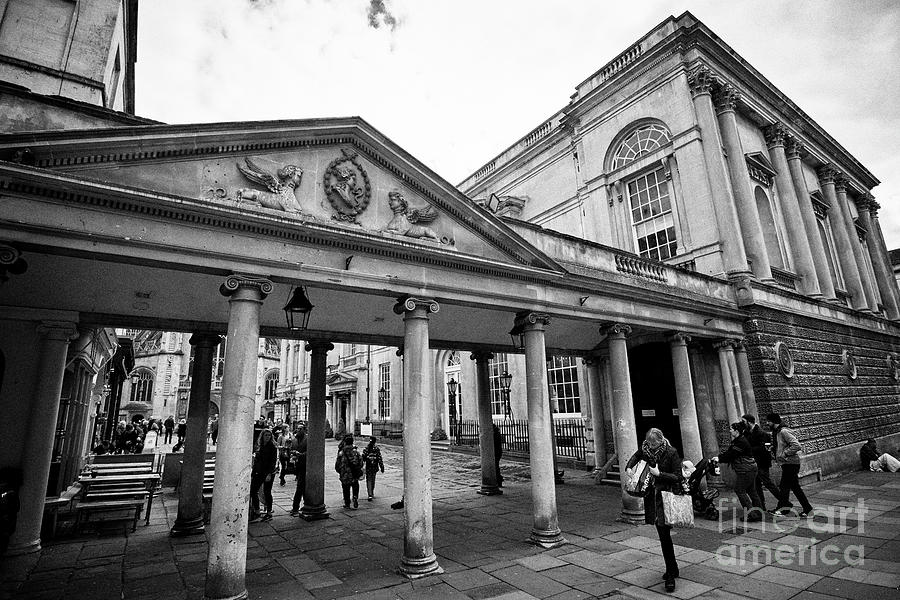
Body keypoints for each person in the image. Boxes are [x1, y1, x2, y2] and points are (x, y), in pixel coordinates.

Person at [625, 428, 682, 593]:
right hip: (653, 499)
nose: (652, 447)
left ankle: (670, 573)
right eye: (649, 444)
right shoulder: (646, 450)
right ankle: (673, 568)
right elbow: (636, 456)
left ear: (661, 441)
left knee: (665, 537)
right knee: (663, 536)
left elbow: (677, 476)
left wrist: (659, 473)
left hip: (667, 497)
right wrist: (629, 467)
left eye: (654, 444)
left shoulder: (671, 452)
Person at [765, 413, 814, 517]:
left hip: (791, 463)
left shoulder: (783, 431)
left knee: (784, 486)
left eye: (768, 421)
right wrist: (774, 450)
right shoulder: (777, 432)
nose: (767, 423)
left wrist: (784, 453)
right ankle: (807, 509)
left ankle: (783, 509)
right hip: (787, 463)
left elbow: (796, 445)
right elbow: (782, 445)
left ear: (774, 421)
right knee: (795, 487)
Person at [714, 421, 763, 521]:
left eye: (731, 429)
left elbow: (732, 454)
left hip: (746, 469)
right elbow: (730, 453)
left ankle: (752, 514)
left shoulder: (740, 442)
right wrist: (720, 457)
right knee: (751, 491)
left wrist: (719, 459)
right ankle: (758, 513)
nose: (730, 431)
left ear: (737, 431)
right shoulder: (739, 440)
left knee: (740, 490)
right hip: (749, 468)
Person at [742, 414, 782, 512]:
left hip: (762, 463)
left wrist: (748, 449)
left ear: (749, 422)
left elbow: (763, 448)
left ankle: (784, 501)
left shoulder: (762, 433)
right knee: (756, 485)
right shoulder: (746, 433)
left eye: (744, 421)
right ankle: (760, 506)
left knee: (768, 483)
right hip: (753, 463)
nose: (742, 424)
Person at [250, 429, 278, 522]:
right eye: (266, 435)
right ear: (262, 436)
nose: (267, 437)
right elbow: (257, 460)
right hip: (259, 472)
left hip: (268, 472)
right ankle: (257, 511)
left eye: (269, 435)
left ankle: (269, 513)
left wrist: (269, 474)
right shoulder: (259, 446)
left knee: (267, 492)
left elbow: (273, 462)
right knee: (253, 491)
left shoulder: (272, 447)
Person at [335, 434, 362, 509]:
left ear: (345, 442)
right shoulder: (355, 451)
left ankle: (347, 503)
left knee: (346, 488)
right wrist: (358, 468)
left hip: (345, 474)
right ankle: (355, 497)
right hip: (354, 473)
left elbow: (338, 463)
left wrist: (339, 471)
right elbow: (361, 461)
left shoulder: (342, 452)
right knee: (355, 485)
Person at [289, 427, 308, 517]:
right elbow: (292, 449)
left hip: (306, 465)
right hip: (298, 465)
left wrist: (300, 455)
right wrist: (292, 453)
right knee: (303, 487)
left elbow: (311, 452)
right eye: (297, 429)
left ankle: (295, 507)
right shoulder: (295, 439)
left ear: (304, 430)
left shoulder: (307, 439)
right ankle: (306, 505)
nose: (298, 430)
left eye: (300, 429)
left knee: (300, 487)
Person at [362, 436, 384, 501]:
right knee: (373, 480)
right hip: (374, 466)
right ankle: (372, 492)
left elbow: (363, 458)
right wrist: (382, 466)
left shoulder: (366, 448)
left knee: (368, 480)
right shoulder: (376, 449)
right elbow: (379, 458)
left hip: (368, 466)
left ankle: (370, 494)